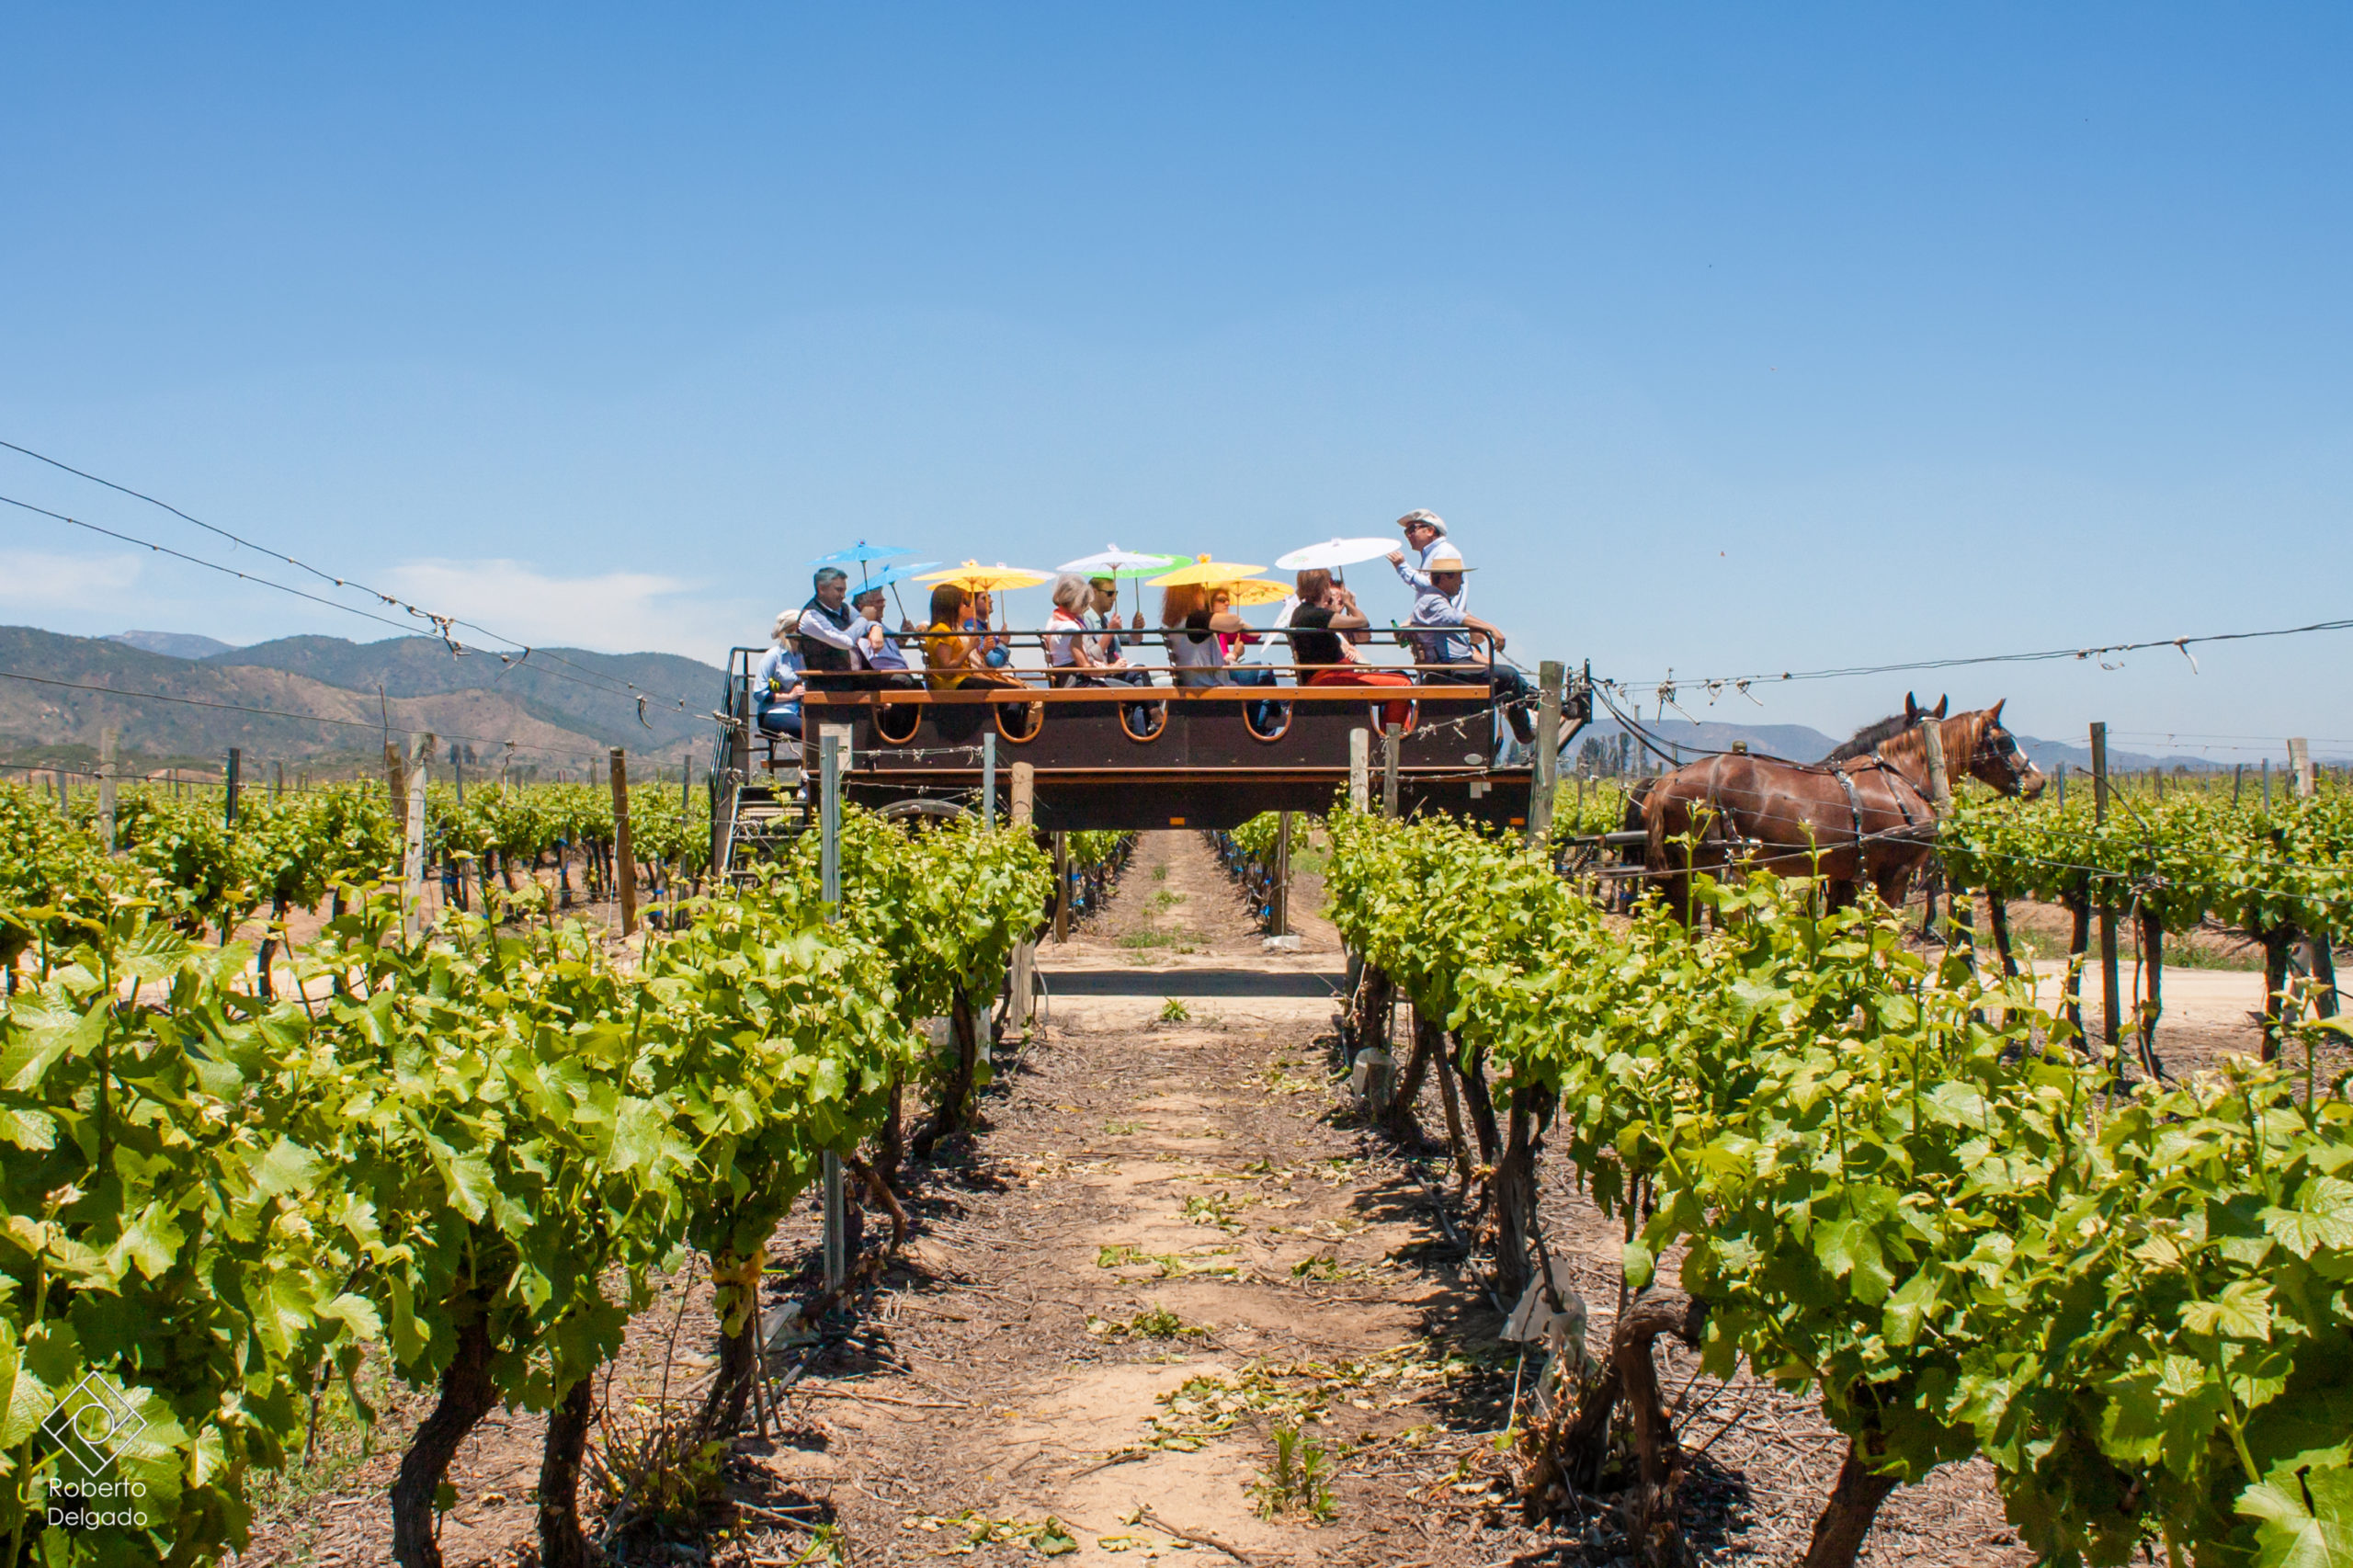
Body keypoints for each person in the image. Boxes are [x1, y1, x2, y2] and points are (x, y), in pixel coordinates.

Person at [1385, 512, 1536, 744]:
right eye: (1457, 577)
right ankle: (1526, 730)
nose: (1461, 582)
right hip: (1450, 667)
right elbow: (1455, 616)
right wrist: (1491, 628)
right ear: (1443, 578)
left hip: (1452, 663)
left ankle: (1534, 706)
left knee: (1505, 675)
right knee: (1508, 676)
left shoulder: (1433, 595)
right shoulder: (1435, 600)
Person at [1288, 587, 1413, 732]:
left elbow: (1364, 635)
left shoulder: (1314, 617)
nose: (1338, 601)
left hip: (1335, 673)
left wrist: (1349, 606)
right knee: (1402, 685)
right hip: (1330, 676)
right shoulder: (1321, 619)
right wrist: (1349, 604)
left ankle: (1393, 734)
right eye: (1334, 598)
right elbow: (1363, 622)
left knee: (1401, 676)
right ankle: (1391, 742)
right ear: (1325, 599)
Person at [795, 567, 862, 691]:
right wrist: (865, 620)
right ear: (821, 589)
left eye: (844, 590)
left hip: (852, 683)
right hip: (826, 688)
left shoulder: (845, 609)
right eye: (839, 590)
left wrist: (875, 627)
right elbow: (845, 642)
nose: (843, 596)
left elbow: (863, 622)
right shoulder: (810, 615)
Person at [851, 586, 922, 689]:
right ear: (862, 605)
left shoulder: (884, 627)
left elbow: (891, 648)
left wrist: (904, 636)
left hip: (901, 673)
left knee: (918, 685)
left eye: (883, 601)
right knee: (909, 684)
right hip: (882, 675)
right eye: (879, 601)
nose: (883, 605)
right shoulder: (860, 626)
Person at [754, 610, 805, 738]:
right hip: (774, 713)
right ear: (792, 630)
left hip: (797, 711)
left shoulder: (801, 656)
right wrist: (790, 696)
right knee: (809, 731)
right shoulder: (773, 656)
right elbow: (759, 693)